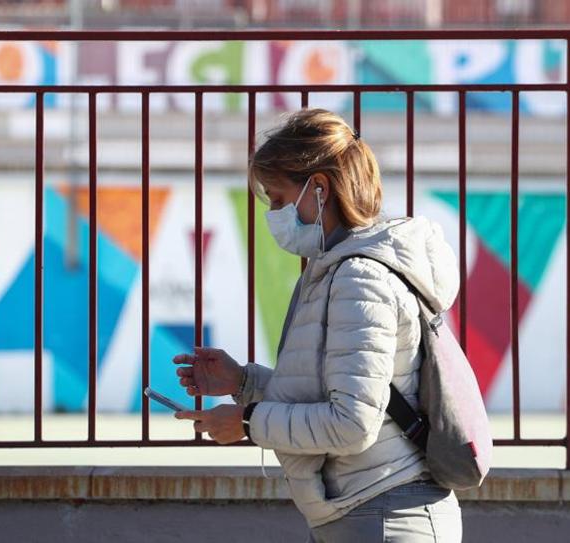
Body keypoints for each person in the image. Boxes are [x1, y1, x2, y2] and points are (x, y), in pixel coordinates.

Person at [172, 108, 463, 542]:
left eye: (276, 197)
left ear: (320, 189)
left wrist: (248, 422)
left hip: (387, 516)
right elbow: (334, 395)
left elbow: (351, 423)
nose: (272, 213)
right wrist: (244, 381)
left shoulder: (360, 278)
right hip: (360, 510)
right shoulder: (335, 270)